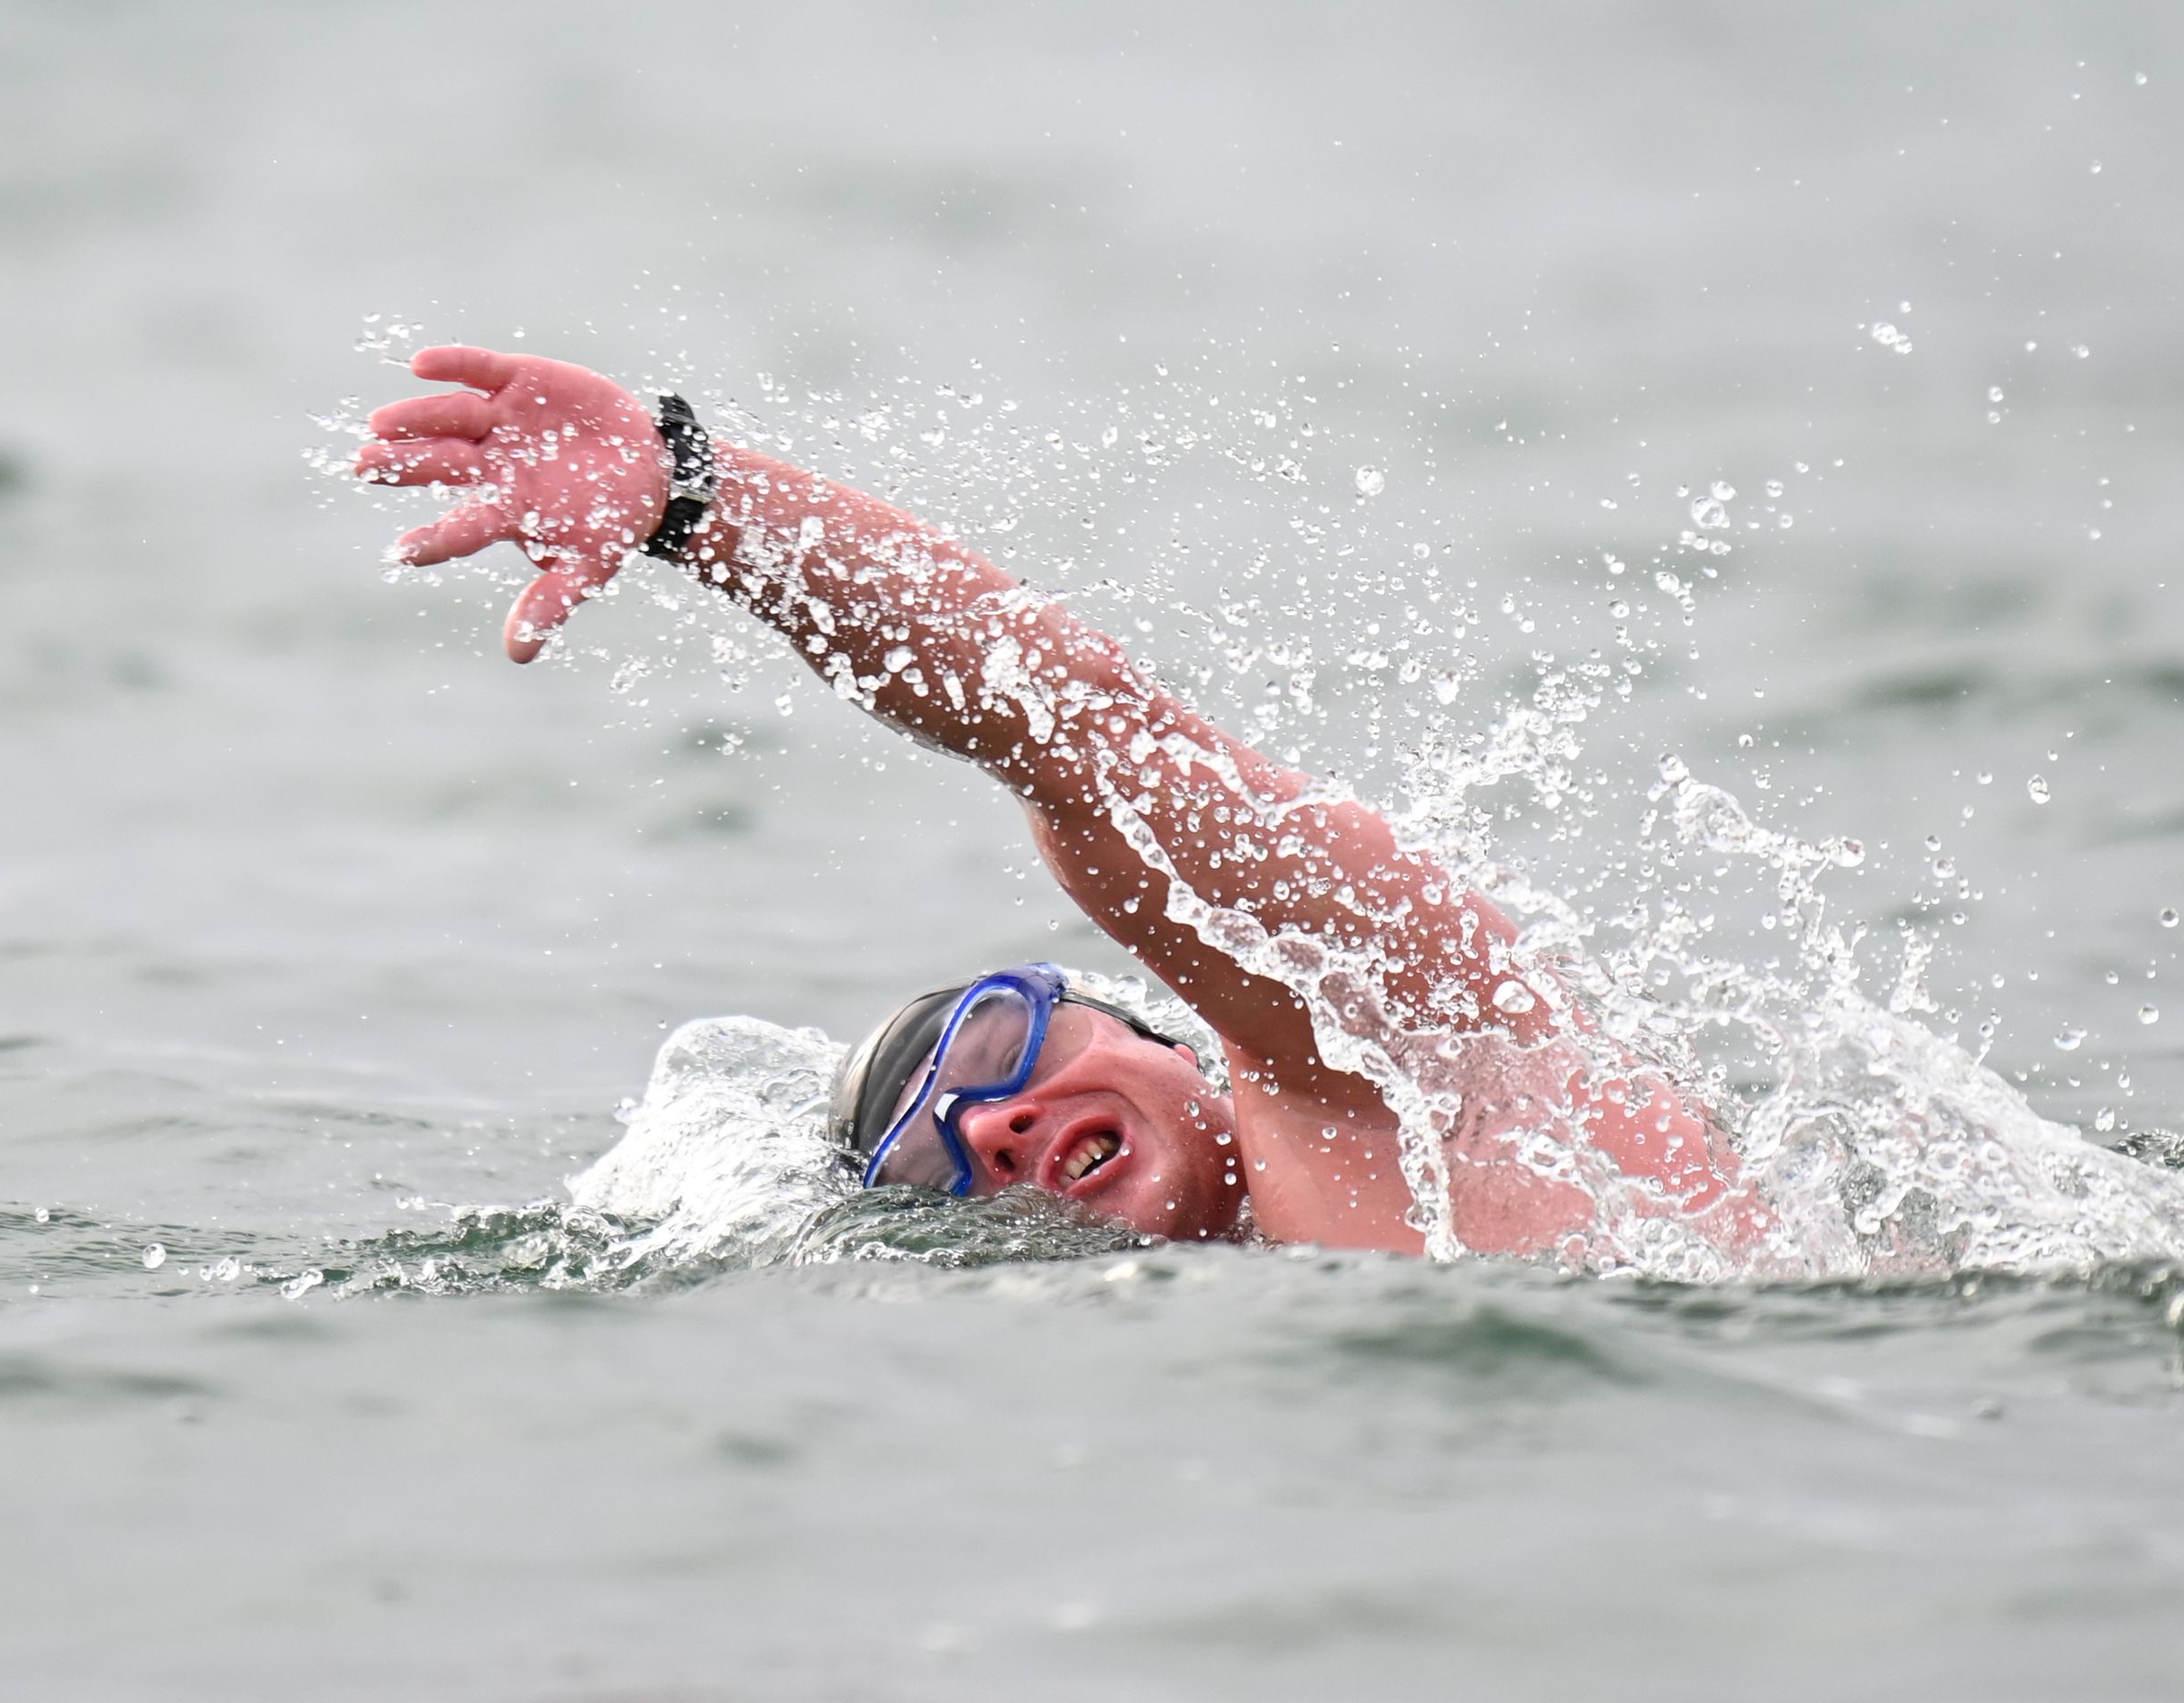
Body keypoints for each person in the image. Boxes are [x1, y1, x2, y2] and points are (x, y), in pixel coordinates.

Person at [352, 343, 1751, 1258]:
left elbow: (1083, 735)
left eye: (992, 1048)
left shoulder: (1386, 1067)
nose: (992, 1128)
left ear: (1169, 1026)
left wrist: (697, 500)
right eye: (932, 1166)